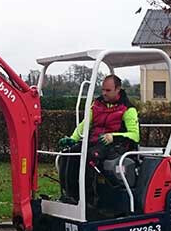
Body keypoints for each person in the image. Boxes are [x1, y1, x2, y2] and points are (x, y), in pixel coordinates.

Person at [56, 74, 140, 204]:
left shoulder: (128, 109)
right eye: (103, 90)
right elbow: (85, 124)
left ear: (118, 89)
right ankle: (71, 195)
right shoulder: (97, 105)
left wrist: (113, 137)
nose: (104, 93)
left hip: (116, 146)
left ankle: (90, 201)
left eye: (108, 90)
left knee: (90, 157)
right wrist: (72, 139)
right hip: (96, 142)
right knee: (69, 153)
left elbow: (135, 135)